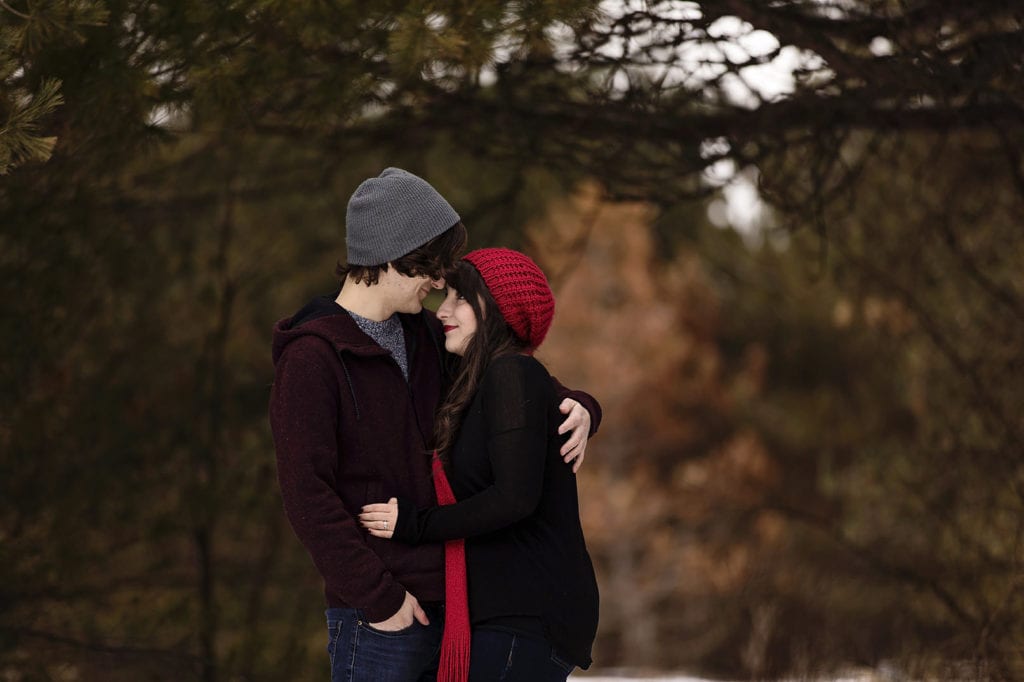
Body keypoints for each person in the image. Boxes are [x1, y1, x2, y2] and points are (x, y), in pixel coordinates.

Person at [269, 169, 601, 682]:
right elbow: (307, 495)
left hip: (456, 608)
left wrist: (581, 405)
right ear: (395, 254)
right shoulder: (313, 359)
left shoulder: (425, 335)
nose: (441, 280)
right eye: (435, 262)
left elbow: (512, 380)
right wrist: (379, 598)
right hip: (379, 615)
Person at [359, 248, 600, 682]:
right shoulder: (480, 382)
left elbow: (514, 498)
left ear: (499, 312)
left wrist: (415, 524)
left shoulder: (512, 374)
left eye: (461, 297)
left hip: (526, 610)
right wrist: (587, 406)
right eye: (445, 295)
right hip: (502, 614)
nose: (443, 310)